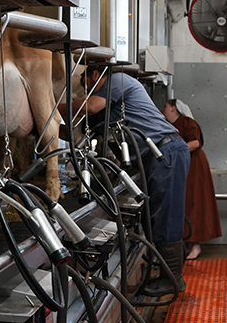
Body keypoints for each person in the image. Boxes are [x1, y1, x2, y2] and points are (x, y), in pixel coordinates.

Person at [59, 66, 190, 296]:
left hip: (165, 151)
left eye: (86, 84)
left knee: (166, 216)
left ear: (95, 74)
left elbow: (90, 106)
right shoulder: (108, 104)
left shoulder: (118, 80)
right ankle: (169, 272)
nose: (86, 90)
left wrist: (51, 108)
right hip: (156, 156)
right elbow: (75, 133)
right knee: (158, 216)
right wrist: (43, 125)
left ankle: (172, 279)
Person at [162, 100, 221, 260]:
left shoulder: (188, 122)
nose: (163, 109)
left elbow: (195, 142)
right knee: (185, 202)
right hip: (183, 165)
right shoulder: (169, 125)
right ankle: (188, 243)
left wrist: (175, 150)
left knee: (194, 200)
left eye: (165, 107)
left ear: (173, 108)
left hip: (194, 166)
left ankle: (195, 244)